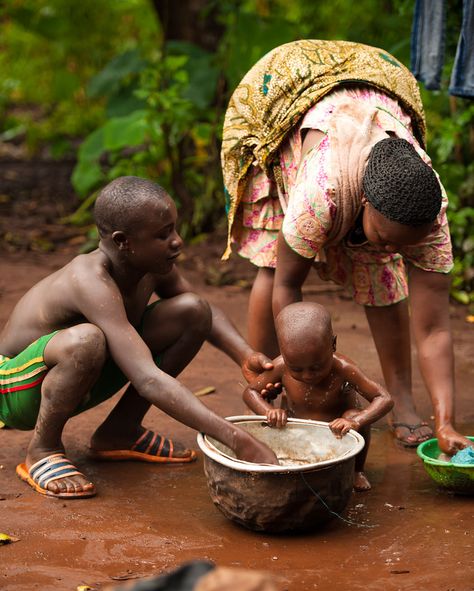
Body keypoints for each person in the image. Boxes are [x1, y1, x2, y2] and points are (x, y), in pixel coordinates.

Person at [221, 39, 471, 454]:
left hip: (372, 96)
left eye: (407, 242)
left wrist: (445, 422)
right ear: (365, 203)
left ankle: (404, 403)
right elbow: (288, 289)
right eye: (389, 237)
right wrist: (293, 378)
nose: (395, 248)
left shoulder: (429, 211)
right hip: (286, 99)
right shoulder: (319, 194)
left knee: (385, 277)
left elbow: (435, 327)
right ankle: (263, 391)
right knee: (272, 267)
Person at [0, 176, 280, 499]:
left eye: (175, 229)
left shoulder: (150, 264)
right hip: (14, 389)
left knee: (194, 311)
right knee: (87, 341)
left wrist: (245, 355)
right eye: (163, 235)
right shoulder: (89, 280)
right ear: (123, 242)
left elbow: (206, 314)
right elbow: (147, 378)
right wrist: (237, 438)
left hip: (78, 372)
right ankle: (43, 448)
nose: (177, 241)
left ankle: (119, 432)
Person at [243, 302, 393, 491]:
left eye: (316, 367)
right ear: (283, 353)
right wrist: (269, 411)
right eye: (296, 368)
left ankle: (356, 471)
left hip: (338, 432)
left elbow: (384, 398)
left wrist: (356, 421)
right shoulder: (281, 366)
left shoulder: (344, 369)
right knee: (275, 422)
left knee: (352, 414)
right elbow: (250, 392)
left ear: (333, 345)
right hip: (297, 428)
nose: (307, 376)